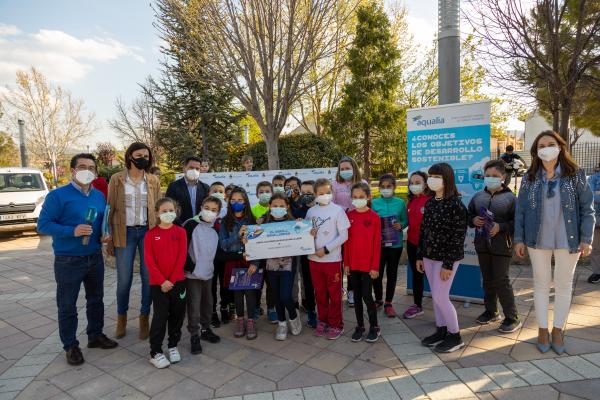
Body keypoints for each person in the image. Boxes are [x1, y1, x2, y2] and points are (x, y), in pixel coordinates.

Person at [514, 130, 594, 354]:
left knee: (564, 285)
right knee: (540, 284)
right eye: (541, 146)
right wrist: (519, 239)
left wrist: (586, 239)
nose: (546, 148)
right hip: (536, 239)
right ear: (536, 152)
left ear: (560, 147)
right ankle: (542, 329)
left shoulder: (576, 174)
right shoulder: (530, 177)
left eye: (550, 144)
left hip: (569, 240)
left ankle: (557, 329)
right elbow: (520, 210)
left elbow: (587, 209)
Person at [38, 153, 118, 366]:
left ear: (96, 172)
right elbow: (43, 225)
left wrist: (105, 235)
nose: (87, 170)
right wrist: (71, 230)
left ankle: (95, 335)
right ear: (72, 170)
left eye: (91, 167)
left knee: (96, 299)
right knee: (67, 305)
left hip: (93, 257)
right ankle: (70, 345)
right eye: (82, 166)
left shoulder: (99, 196)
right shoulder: (57, 196)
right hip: (68, 260)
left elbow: (102, 223)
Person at [107, 142, 161, 340]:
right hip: (125, 233)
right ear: (130, 156)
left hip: (147, 233)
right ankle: (121, 318)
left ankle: (144, 317)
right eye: (139, 155)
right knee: (124, 280)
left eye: (146, 156)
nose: (143, 159)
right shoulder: (117, 179)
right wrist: (109, 237)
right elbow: (109, 209)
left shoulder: (153, 180)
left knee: (149, 279)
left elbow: (158, 209)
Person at [417, 162, 468, 353]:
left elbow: (458, 237)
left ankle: (455, 336)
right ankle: (442, 330)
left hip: (447, 259)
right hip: (429, 257)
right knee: (435, 297)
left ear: (447, 179)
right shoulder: (430, 203)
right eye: (431, 176)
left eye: (437, 176)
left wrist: (448, 264)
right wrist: (419, 256)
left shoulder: (456, 205)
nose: (432, 180)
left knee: (440, 297)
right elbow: (423, 231)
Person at [467, 160, 521, 333]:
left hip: (502, 246)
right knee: (487, 280)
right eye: (487, 176)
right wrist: (473, 220)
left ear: (503, 177)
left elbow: (518, 222)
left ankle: (512, 317)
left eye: (495, 176)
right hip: (482, 244)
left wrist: (501, 226)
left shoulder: (511, 198)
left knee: (501, 280)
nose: (490, 179)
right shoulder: (478, 197)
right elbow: (469, 215)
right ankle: (491, 311)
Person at [248, 194, 302, 340]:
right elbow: (256, 244)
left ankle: (292, 317)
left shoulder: (294, 222)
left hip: (288, 265)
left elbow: (302, 241)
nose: (278, 208)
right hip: (271, 266)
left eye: (281, 206)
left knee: (286, 295)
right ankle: (282, 324)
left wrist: (305, 229)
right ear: (269, 207)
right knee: (276, 296)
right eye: (275, 206)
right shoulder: (263, 224)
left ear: (287, 207)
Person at [144, 197, 187, 369]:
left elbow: (182, 257)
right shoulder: (150, 235)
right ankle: (155, 352)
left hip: (178, 282)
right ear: (157, 213)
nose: (168, 214)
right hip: (158, 284)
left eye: (171, 210)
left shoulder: (180, 232)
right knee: (160, 317)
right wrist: (162, 281)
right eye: (164, 211)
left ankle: (173, 345)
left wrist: (172, 279)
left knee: (177, 315)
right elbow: (149, 261)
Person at [307, 178, 350, 340]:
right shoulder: (311, 212)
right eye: (321, 193)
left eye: (328, 192)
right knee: (320, 293)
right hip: (314, 260)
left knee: (335, 294)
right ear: (315, 194)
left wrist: (325, 250)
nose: (325, 195)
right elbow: (306, 233)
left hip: (332, 260)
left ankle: (336, 323)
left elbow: (344, 235)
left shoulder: (338, 210)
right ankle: (323, 320)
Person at [219, 187, 258, 339]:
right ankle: (240, 320)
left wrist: (256, 262)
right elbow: (223, 244)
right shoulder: (225, 221)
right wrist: (237, 235)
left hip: (249, 261)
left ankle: (251, 321)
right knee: (237, 293)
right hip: (233, 261)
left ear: (245, 202)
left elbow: (259, 244)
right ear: (229, 202)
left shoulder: (252, 220)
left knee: (250, 292)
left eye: (240, 200)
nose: (236, 203)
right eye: (233, 200)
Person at [345, 182, 382, 342]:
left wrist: (375, 267)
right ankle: (360, 326)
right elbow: (346, 242)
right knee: (357, 296)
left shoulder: (374, 217)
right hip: (353, 265)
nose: (358, 199)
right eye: (355, 197)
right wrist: (346, 263)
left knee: (367, 296)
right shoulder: (349, 216)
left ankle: (374, 326)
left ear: (368, 197)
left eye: (361, 197)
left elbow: (376, 244)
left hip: (368, 266)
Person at [187, 196, 223, 354]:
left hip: (208, 273)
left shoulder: (216, 228)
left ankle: (206, 329)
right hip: (192, 274)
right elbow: (182, 248)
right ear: (201, 207)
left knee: (208, 303)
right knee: (194, 306)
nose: (210, 212)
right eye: (207, 208)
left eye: (214, 210)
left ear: (218, 213)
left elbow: (218, 251)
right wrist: (190, 267)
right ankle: (194, 334)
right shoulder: (191, 224)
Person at [332, 156, 367, 307]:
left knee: (353, 257)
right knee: (339, 257)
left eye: (348, 168)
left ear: (354, 168)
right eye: (342, 169)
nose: (345, 171)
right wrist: (343, 209)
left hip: (357, 225)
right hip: (339, 225)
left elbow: (367, 203)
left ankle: (352, 290)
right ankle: (338, 289)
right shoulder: (334, 184)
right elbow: (331, 203)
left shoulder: (362, 183)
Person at [371, 174, 408, 317]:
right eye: (383, 187)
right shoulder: (374, 203)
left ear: (394, 187)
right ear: (379, 188)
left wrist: (401, 225)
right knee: (376, 274)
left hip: (395, 245)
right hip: (379, 245)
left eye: (389, 186)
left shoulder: (400, 203)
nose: (386, 189)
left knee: (392, 274)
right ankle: (379, 299)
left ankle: (388, 303)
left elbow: (405, 220)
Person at [403, 172, 431, 319]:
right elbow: (408, 222)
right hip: (412, 243)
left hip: (428, 246)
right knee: (417, 274)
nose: (414, 186)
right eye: (411, 183)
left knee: (432, 276)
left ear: (426, 183)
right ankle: (417, 305)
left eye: (417, 182)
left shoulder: (431, 201)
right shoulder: (411, 201)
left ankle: (441, 304)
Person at [208, 181, 231, 327]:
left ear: (224, 194)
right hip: (210, 256)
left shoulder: (229, 212)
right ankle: (211, 312)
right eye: (214, 190)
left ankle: (224, 308)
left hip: (225, 254)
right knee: (211, 286)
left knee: (225, 283)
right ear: (209, 194)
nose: (217, 192)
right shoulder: (204, 213)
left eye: (220, 191)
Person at [296, 180, 318, 328]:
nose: (305, 196)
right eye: (303, 193)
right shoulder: (298, 210)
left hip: (323, 253)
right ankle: (311, 312)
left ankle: (326, 311)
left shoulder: (323, 208)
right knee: (308, 284)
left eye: (309, 193)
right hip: (306, 255)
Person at [165, 156, 209, 225]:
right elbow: (169, 208)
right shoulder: (173, 186)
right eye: (191, 168)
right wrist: (180, 225)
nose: (194, 170)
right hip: (181, 226)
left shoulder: (205, 187)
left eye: (197, 168)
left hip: (200, 226)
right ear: (184, 168)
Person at [587, 163, 600, 284]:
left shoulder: (592, 179)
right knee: (595, 248)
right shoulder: (593, 178)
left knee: (596, 248)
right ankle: (597, 273)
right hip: (596, 218)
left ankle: (597, 273)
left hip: (596, 217)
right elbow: (589, 197)